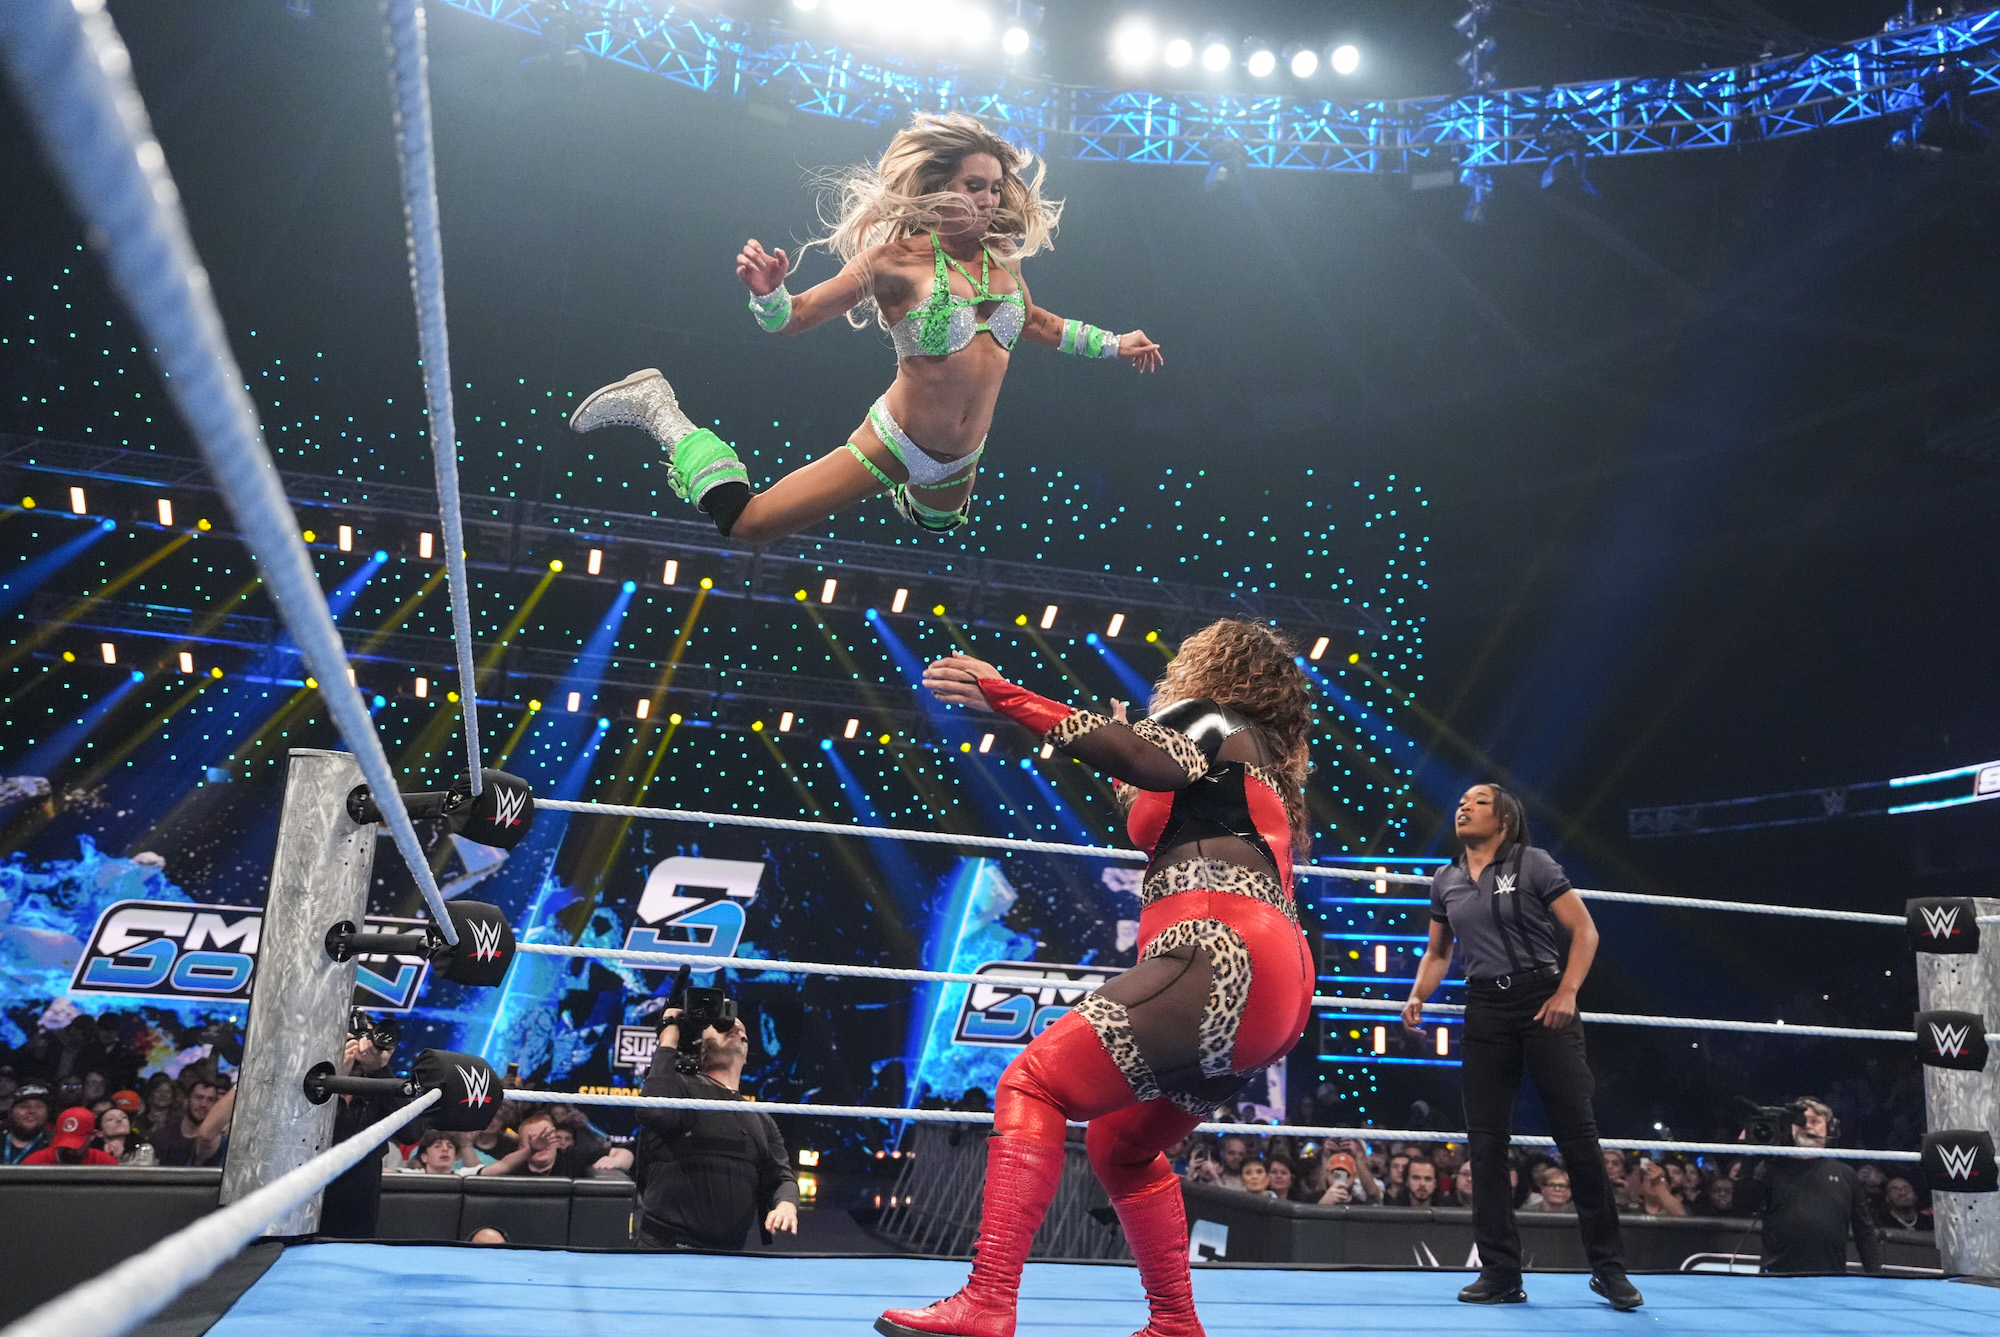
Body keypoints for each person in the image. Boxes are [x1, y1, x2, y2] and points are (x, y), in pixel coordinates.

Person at [881, 619, 1315, 1337]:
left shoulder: (1212, 714)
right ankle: (1174, 1322)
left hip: (1222, 949)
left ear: (1216, 666)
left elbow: (1144, 757)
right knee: (1122, 1146)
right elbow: (1153, 789)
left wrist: (1006, 695)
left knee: (1031, 1083)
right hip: (1275, 990)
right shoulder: (1251, 757)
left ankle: (988, 1299)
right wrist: (1124, 754)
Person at [570, 112, 1162, 543]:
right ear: (939, 187)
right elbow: (795, 318)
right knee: (750, 525)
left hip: (962, 458)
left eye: (994, 188)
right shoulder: (892, 263)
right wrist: (770, 294)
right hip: (895, 444)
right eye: (972, 186)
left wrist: (1116, 344)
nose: (988, 200)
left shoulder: (1003, 260)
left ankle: (917, 501)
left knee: (940, 525)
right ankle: (659, 410)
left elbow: (1034, 322)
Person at [1404, 784, 1642, 1311]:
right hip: (1485, 1007)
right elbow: (1438, 953)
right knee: (1485, 1144)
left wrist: (1568, 992)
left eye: (1478, 801)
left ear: (1505, 818)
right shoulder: (1445, 879)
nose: (1463, 806)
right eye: (1461, 801)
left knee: (1578, 1137)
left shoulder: (1532, 863)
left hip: (1542, 998)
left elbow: (1584, 930)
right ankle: (1500, 1273)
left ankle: (1609, 1269)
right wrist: (1418, 995)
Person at [632, 1006, 799, 1250]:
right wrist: (668, 1042)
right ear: (701, 1045)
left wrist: (786, 1204)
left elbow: (781, 1177)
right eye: (723, 1027)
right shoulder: (680, 1089)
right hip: (665, 1249)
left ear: (746, 1052)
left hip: (727, 1255)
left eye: (741, 1030)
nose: (735, 1028)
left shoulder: (761, 1119)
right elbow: (652, 1111)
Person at [1744, 1099, 1882, 1275]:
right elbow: (1745, 1204)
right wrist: (1748, 1157)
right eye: (1801, 1122)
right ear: (1791, 1128)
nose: (1807, 1126)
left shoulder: (1846, 1174)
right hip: (1777, 1277)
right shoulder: (1769, 1168)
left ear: (1829, 1129)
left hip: (1829, 1277)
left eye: (1815, 1121)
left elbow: (1865, 1233)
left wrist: (1877, 1278)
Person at [148, 1071, 233, 1168]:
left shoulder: (222, 1143)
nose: (203, 1104)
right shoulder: (162, 1137)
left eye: (210, 1100)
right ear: (186, 1101)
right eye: (199, 1097)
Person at [23, 1106, 121, 1165]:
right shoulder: (35, 1162)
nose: (69, 1148)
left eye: (75, 1144)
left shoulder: (104, 1163)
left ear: (92, 1135)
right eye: (63, 1141)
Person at [3, 1082, 52, 1164]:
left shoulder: (54, 1143)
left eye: (39, 1107)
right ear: (10, 1112)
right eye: (24, 1106)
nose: (32, 1111)